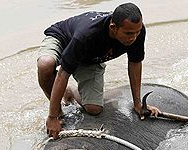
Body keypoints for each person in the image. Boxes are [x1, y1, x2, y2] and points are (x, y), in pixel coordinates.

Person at [37, 2, 160, 139]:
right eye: (129, 33)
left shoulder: (138, 32)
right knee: (45, 65)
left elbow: (135, 63)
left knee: (94, 109)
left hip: (89, 57)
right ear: (113, 28)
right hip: (64, 39)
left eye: (137, 32)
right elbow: (63, 74)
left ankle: (69, 92)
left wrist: (137, 103)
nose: (133, 37)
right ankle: (59, 113)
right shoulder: (86, 34)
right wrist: (53, 117)